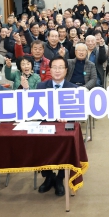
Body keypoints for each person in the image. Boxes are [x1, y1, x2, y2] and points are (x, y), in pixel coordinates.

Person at [36, 56, 77, 196]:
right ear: (50, 69)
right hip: (46, 125)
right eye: (54, 67)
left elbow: (77, 114)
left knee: (67, 144)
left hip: (65, 127)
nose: (57, 70)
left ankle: (60, 178)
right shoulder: (41, 86)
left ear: (66, 70)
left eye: (61, 67)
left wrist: (68, 117)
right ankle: (49, 176)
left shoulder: (74, 88)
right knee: (37, 142)